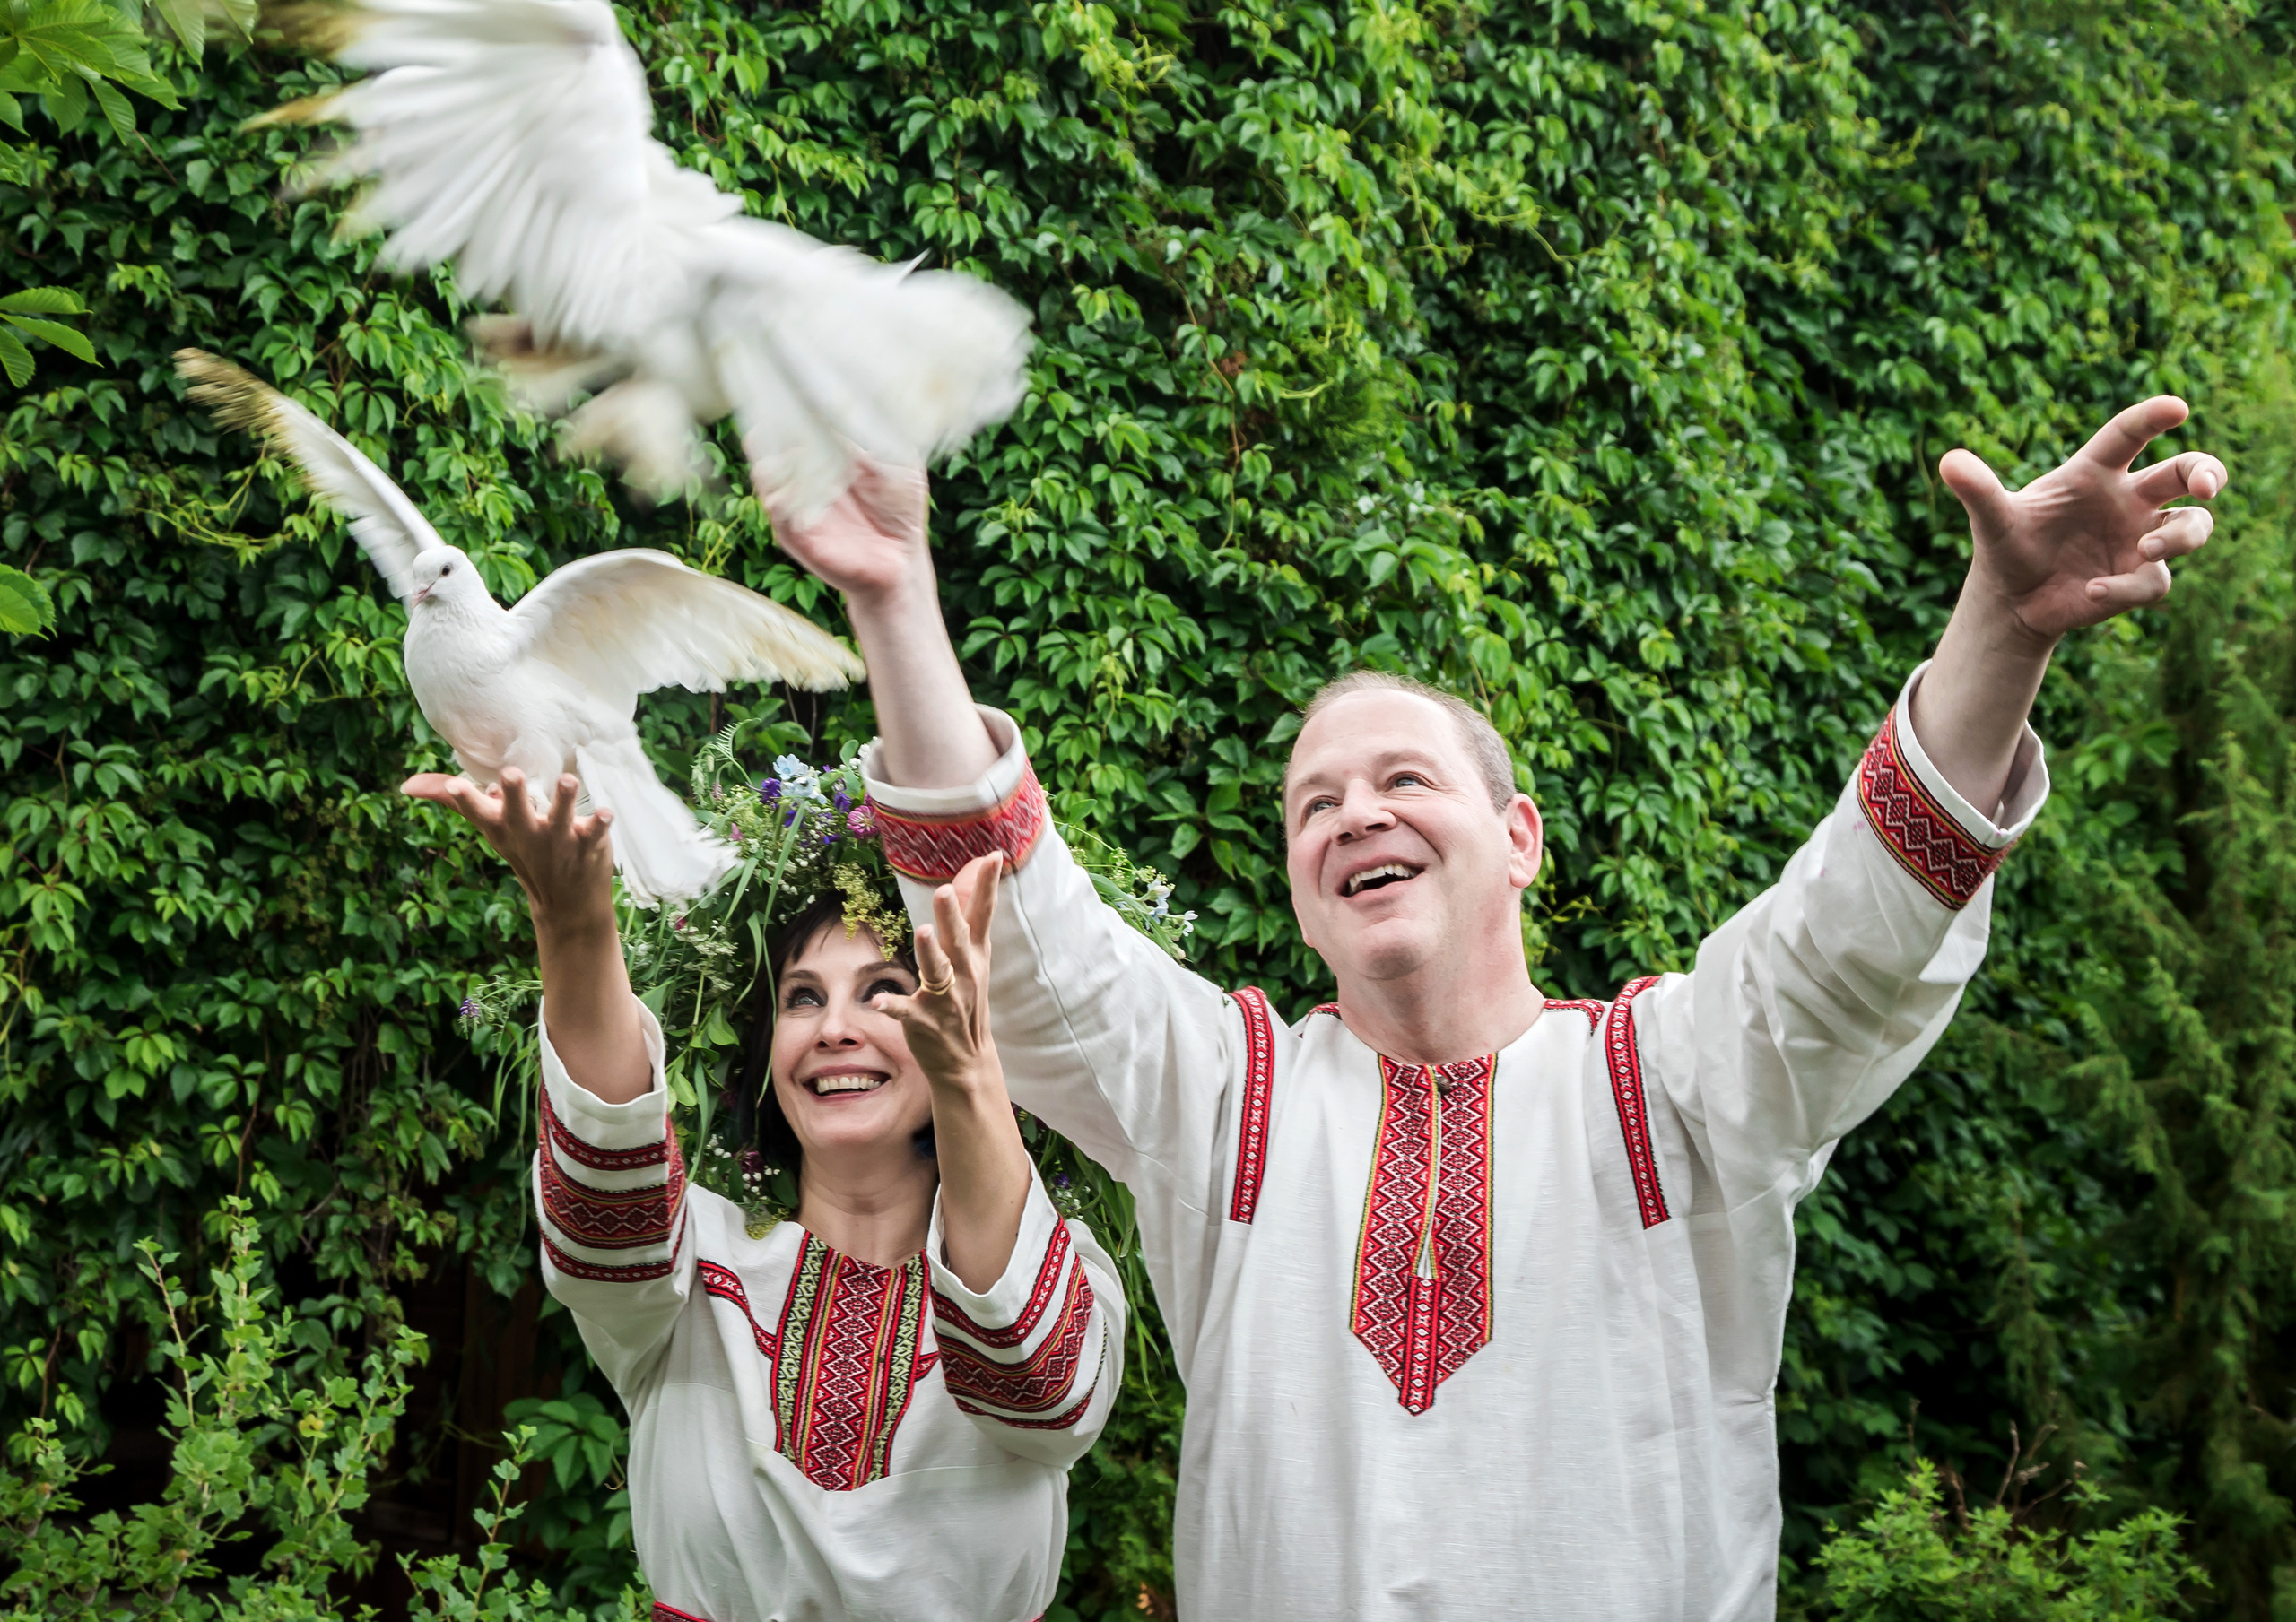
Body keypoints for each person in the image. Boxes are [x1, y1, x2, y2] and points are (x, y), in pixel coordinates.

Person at [768, 398, 2226, 1621]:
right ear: (1301, 893)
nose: (1355, 814)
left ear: (1519, 837)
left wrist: (2000, 631)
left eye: (1403, 779)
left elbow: (1847, 944)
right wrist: (894, 597)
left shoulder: (1672, 1088)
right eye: (1314, 804)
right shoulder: (1226, 1099)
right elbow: (1026, 940)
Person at [404, 758, 1124, 1622]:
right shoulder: (692, 1272)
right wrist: (573, 923)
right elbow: (608, 1211)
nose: (836, 1028)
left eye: (886, 991)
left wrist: (970, 1071)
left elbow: (1040, 1386)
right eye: (802, 998)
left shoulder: (1073, 1279)